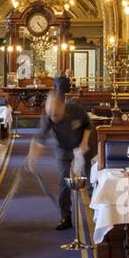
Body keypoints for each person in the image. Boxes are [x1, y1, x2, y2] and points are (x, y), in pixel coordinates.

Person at [36, 75, 95, 230]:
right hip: (63, 149)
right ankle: (65, 217)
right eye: (51, 115)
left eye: (56, 114)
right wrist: (32, 156)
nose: (53, 118)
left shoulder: (75, 109)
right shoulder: (49, 115)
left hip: (83, 146)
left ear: (63, 107)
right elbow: (39, 138)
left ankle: (97, 214)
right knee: (64, 183)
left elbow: (89, 124)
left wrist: (83, 143)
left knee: (90, 180)